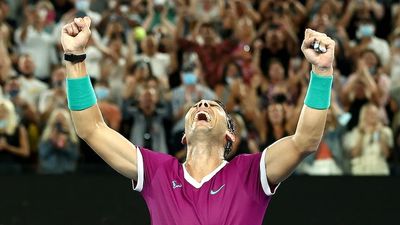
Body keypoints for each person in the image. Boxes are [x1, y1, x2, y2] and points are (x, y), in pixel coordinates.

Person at [61, 17, 335, 224]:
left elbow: (305, 141)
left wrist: (322, 73)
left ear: (230, 135)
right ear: (184, 135)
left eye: (213, 106)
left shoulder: (250, 174)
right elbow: (91, 129)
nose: (202, 104)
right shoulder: (159, 173)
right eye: (196, 105)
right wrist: (75, 58)